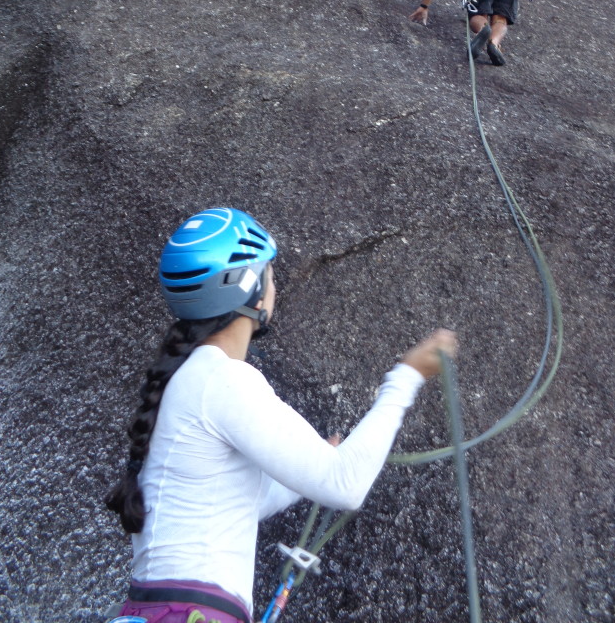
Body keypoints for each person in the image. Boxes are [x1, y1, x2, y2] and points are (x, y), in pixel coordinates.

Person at [106, 207, 456, 623]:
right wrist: (407, 376)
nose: (275, 284)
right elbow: (345, 484)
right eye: (269, 274)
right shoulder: (223, 379)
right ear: (249, 287)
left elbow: (233, 505)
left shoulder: (187, 381)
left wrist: (309, 465)